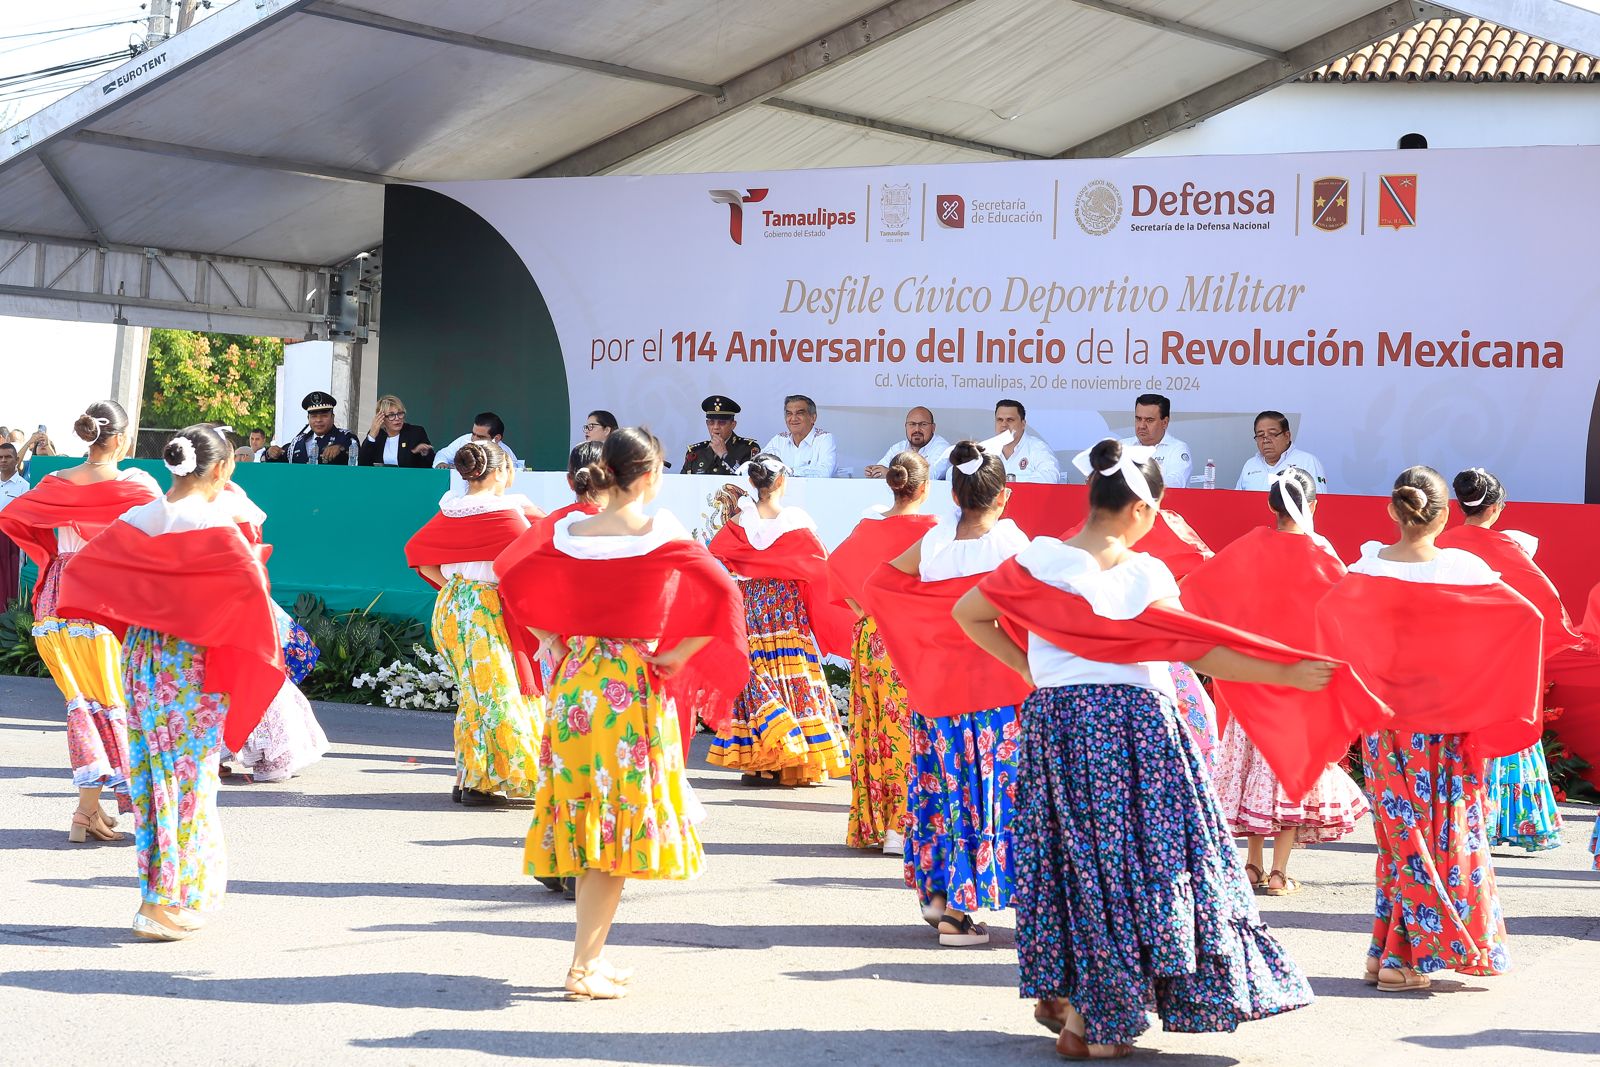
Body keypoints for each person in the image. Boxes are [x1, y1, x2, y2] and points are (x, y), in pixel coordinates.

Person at [952, 438, 1340, 1057]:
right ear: (1139, 509)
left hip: (1059, 726)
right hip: (1138, 730)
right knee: (1150, 868)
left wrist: (1035, 672)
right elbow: (1194, 648)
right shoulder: (1143, 572)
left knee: (1078, 867)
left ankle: (1084, 1014)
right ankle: (1102, 1025)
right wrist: (1285, 673)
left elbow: (969, 614)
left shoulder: (1036, 562)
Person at [494, 427, 748, 1000]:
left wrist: (552, 639)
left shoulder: (568, 530)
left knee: (592, 824)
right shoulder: (659, 529)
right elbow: (724, 597)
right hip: (630, 689)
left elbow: (509, 576)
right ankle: (582, 968)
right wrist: (678, 654)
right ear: (652, 474)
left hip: (577, 683)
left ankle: (590, 957)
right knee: (611, 833)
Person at [1317, 466, 1543, 992]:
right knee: (1440, 836)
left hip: (1386, 727)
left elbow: (1328, 620)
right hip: (1446, 725)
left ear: (1394, 511)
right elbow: (1528, 618)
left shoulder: (1366, 570)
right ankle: (1404, 960)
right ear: (1443, 514)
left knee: (1400, 840)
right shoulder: (1464, 570)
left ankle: (1386, 951)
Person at [57, 423, 286, 940]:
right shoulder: (216, 526)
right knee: (188, 781)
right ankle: (170, 901)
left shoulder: (139, 517)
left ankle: (157, 897)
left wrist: (136, 612)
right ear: (223, 468)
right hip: (191, 664)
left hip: (143, 659)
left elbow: (85, 570)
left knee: (153, 777)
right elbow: (251, 601)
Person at [860, 439, 1032, 947]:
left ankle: (941, 904)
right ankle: (970, 912)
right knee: (991, 796)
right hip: (996, 694)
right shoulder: (1010, 543)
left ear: (953, 494)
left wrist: (927, 629)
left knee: (944, 792)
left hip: (938, 695)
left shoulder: (933, 542)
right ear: (1004, 495)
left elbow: (879, 586)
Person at [1181, 467, 1369, 896]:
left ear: (1270, 505)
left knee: (1252, 770)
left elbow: (1196, 590)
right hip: (1299, 684)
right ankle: (1281, 871)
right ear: (1313, 505)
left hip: (1249, 682)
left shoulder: (1249, 547)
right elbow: (1349, 615)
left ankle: (1252, 864)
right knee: (1288, 773)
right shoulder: (1322, 555)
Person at [0, 401, 160, 843]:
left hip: (56, 595)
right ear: (124, 439)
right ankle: (92, 811)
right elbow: (157, 536)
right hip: (103, 596)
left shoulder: (55, 481)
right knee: (108, 700)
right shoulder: (137, 483)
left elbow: (14, 516)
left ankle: (87, 811)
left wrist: (52, 553)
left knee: (83, 701)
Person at [1437, 467, 1572, 853]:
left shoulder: (1441, 545)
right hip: (1497, 664)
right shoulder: (1505, 549)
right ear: (1496, 507)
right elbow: (1545, 604)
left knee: (1457, 741)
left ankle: (1458, 819)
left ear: (1459, 505)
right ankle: (1507, 821)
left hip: (1452, 664)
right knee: (1505, 736)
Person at [405, 442, 545, 807]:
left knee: (475, 694)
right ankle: (499, 779)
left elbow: (419, 556)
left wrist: (454, 589)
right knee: (499, 695)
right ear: (501, 472)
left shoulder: (452, 510)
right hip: (487, 609)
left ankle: (471, 776)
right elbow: (533, 563)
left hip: (454, 607)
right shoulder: (507, 515)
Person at [707, 455, 852, 784]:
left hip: (752, 603)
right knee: (791, 673)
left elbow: (719, 557)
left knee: (756, 673)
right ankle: (795, 756)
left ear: (754, 484)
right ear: (782, 482)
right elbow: (821, 568)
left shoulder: (740, 523)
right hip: (785, 605)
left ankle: (762, 761)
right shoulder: (795, 523)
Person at [826, 451, 938, 852]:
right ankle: (902, 825)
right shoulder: (935, 530)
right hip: (911, 637)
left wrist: (861, 609)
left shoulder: (867, 528)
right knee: (908, 728)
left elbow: (835, 567)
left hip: (871, 636)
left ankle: (880, 822)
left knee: (874, 726)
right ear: (924, 487)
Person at [214, 480, 329, 784]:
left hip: (209, 601)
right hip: (236, 597)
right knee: (254, 671)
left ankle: (216, 753)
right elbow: (250, 555)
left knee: (217, 675)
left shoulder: (183, 499)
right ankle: (265, 754)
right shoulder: (231, 498)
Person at [1236, 410, 1327, 491]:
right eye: (1260, 435)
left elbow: (1318, 501)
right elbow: (1238, 501)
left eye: (1272, 434)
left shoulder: (1307, 461)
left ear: (1287, 436)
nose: (1265, 440)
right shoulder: (1250, 465)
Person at [264, 391, 359, 465]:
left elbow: (357, 453)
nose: (318, 420)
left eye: (324, 415)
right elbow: (276, 458)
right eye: (314, 416)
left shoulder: (345, 437)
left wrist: (340, 448)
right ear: (308, 419)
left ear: (332, 417)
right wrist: (270, 453)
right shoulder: (297, 442)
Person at [1121, 393, 1192, 489]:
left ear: (1165, 422)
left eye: (1149, 420)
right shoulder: (1122, 446)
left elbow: (1176, 483)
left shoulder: (1177, 449)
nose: (1142, 426)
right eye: (1138, 419)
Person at [866, 407, 952, 481]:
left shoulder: (943, 448)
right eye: (912, 424)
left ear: (933, 428)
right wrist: (874, 471)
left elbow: (930, 476)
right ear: (906, 427)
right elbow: (881, 469)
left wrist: (891, 474)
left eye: (923, 424)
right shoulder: (899, 448)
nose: (917, 429)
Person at [681, 395, 759, 476]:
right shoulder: (696, 452)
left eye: (721, 422)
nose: (715, 427)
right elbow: (683, 483)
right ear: (707, 424)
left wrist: (725, 455)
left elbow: (751, 480)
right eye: (711, 422)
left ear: (733, 425)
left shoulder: (748, 449)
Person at [762, 395, 836, 477]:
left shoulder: (824, 438)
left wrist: (788, 472)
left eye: (799, 413)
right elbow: (759, 466)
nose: (793, 418)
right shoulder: (779, 440)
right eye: (789, 414)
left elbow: (825, 472)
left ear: (813, 418)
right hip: (783, 489)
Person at [993, 399, 1059, 483]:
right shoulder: (986, 450)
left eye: (1010, 420)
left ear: (1023, 424)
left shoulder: (1037, 448)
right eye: (1000, 420)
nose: (1004, 424)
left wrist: (1017, 487)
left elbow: (1050, 476)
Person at [359, 394, 434, 467]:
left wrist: (425, 453)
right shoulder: (377, 435)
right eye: (391, 415)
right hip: (380, 478)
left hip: (409, 478)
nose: (397, 418)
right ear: (382, 418)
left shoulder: (415, 433)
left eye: (400, 413)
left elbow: (430, 463)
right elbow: (362, 464)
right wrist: (371, 436)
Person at [435, 411, 521, 471]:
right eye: (473, 434)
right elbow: (443, 454)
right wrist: (441, 463)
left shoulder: (506, 453)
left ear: (496, 438)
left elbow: (516, 471)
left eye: (481, 437)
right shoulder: (464, 440)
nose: (474, 439)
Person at [0, 442, 27, 607]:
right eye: (0, 457)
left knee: (9, 588)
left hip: (12, 546)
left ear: (16, 460)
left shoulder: (25, 487)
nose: (3, 460)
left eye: (8, 457)